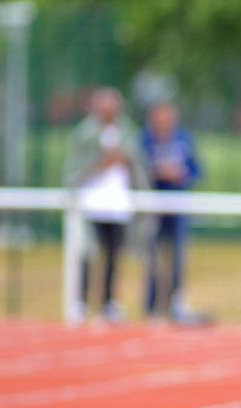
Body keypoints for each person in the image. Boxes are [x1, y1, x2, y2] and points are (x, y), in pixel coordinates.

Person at [64, 87, 150, 323]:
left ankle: (109, 303)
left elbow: (137, 164)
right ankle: (80, 301)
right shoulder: (85, 134)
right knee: (87, 254)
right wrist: (103, 162)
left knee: (114, 255)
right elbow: (76, 169)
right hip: (91, 204)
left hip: (118, 204)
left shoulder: (127, 132)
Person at [141, 101, 207, 325]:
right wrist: (157, 172)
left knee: (178, 257)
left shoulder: (184, 139)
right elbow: (137, 168)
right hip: (153, 207)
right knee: (152, 259)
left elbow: (197, 170)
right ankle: (151, 307)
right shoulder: (145, 140)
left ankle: (176, 303)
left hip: (178, 208)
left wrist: (182, 174)